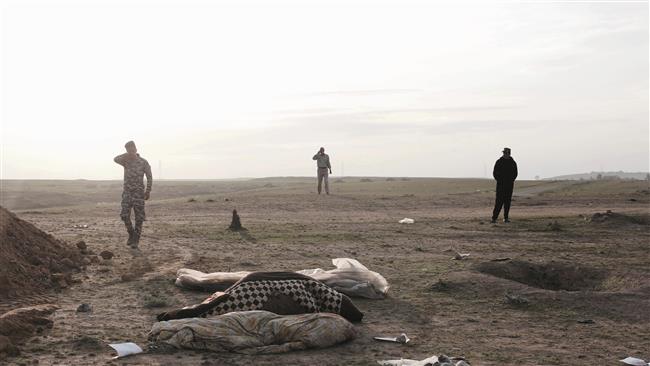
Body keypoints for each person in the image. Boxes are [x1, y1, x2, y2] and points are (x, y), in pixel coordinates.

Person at [114, 141, 152, 248]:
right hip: (127, 193)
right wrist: (126, 155)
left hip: (139, 193)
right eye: (128, 150)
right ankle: (131, 233)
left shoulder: (143, 162)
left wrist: (148, 191)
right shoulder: (125, 161)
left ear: (136, 149)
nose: (130, 152)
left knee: (139, 217)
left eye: (132, 150)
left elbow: (149, 177)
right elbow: (115, 159)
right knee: (124, 215)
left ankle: (136, 240)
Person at [491, 147, 518, 223]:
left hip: (509, 186)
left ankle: (506, 218)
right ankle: (494, 218)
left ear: (509, 153)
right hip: (500, 186)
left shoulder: (512, 163)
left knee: (507, 203)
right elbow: (495, 173)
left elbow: (515, 174)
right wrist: (500, 180)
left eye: (506, 153)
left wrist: (510, 181)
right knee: (498, 202)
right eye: (504, 153)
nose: (505, 154)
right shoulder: (499, 162)